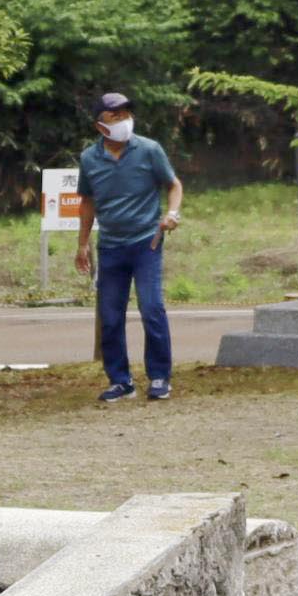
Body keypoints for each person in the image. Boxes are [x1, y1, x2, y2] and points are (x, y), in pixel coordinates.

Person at [76, 88, 184, 402]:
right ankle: (121, 381)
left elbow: (173, 185)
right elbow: (87, 203)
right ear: (100, 126)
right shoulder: (89, 158)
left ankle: (160, 376)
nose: (124, 120)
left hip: (146, 243)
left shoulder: (149, 150)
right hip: (109, 246)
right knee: (110, 315)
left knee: (151, 308)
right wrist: (82, 245)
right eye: (116, 115)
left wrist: (172, 214)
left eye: (127, 114)